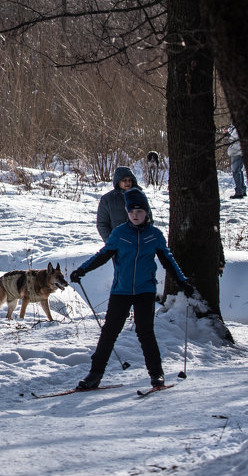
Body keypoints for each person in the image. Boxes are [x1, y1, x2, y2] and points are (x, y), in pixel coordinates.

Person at [70, 187, 191, 391]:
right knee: (109, 332)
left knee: (145, 332)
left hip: (145, 291)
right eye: (132, 212)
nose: (135, 215)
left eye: (139, 212)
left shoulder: (154, 235)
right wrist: (82, 269)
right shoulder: (119, 233)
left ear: (146, 213)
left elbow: (168, 260)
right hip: (121, 291)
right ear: (127, 213)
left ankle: (156, 374)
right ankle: (94, 375)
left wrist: (182, 281)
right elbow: (103, 255)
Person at [96, 166, 138, 242]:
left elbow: (148, 219)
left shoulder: (139, 196)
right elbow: (102, 224)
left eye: (129, 180)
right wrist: (111, 242)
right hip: (118, 245)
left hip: (138, 244)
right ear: (118, 181)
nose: (127, 183)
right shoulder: (107, 199)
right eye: (124, 180)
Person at [226, 125, 247, 199]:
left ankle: (239, 191)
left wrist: (228, 131)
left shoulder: (237, 125)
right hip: (239, 150)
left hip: (236, 150)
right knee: (239, 170)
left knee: (236, 171)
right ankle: (242, 189)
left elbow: (234, 133)